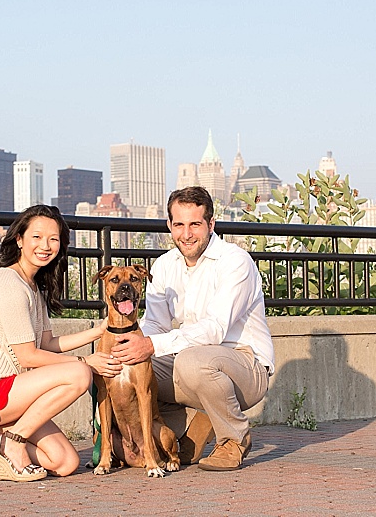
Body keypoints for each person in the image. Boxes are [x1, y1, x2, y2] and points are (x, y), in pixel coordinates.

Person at [0, 204, 121, 482]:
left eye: (53, 239)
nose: (45, 246)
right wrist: (87, 362)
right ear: (19, 240)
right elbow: (28, 357)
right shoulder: (10, 284)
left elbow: (46, 343)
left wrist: (97, 332)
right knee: (80, 373)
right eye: (36, 237)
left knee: (64, 462)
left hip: (16, 393)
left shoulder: (34, 286)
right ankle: (13, 442)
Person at [111, 186, 274, 471]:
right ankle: (184, 428)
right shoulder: (164, 266)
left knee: (191, 361)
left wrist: (151, 346)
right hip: (194, 363)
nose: (187, 234)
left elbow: (215, 329)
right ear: (169, 226)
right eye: (179, 225)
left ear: (211, 224)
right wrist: (128, 351)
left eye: (195, 224)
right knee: (117, 366)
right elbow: (155, 326)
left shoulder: (235, 262)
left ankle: (234, 439)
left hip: (245, 365)